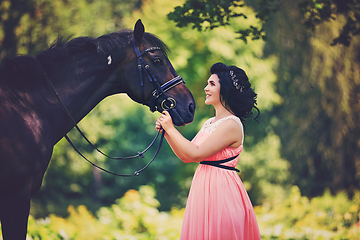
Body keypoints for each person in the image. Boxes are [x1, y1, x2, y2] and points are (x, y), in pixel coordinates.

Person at [156, 62, 261, 240]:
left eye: (212, 84)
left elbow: (196, 152)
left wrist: (172, 129)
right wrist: (167, 133)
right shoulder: (210, 122)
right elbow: (187, 156)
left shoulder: (232, 124)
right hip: (203, 188)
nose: (206, 88)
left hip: (222, 193)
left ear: (225, 89)